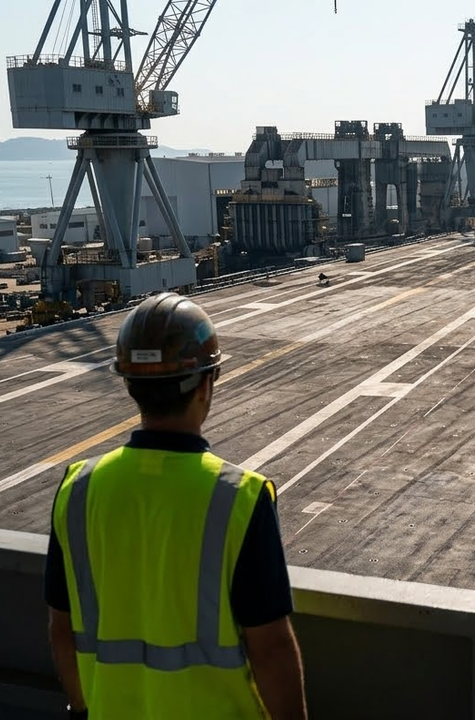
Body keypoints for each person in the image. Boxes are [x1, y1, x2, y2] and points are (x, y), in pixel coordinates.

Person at [44, 292, 308, 719]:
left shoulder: (77, 489)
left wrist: (80, 706)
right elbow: (271, 647)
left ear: (129, 385)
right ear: (206, 383)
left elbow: (61, 628)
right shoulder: (239, 497)